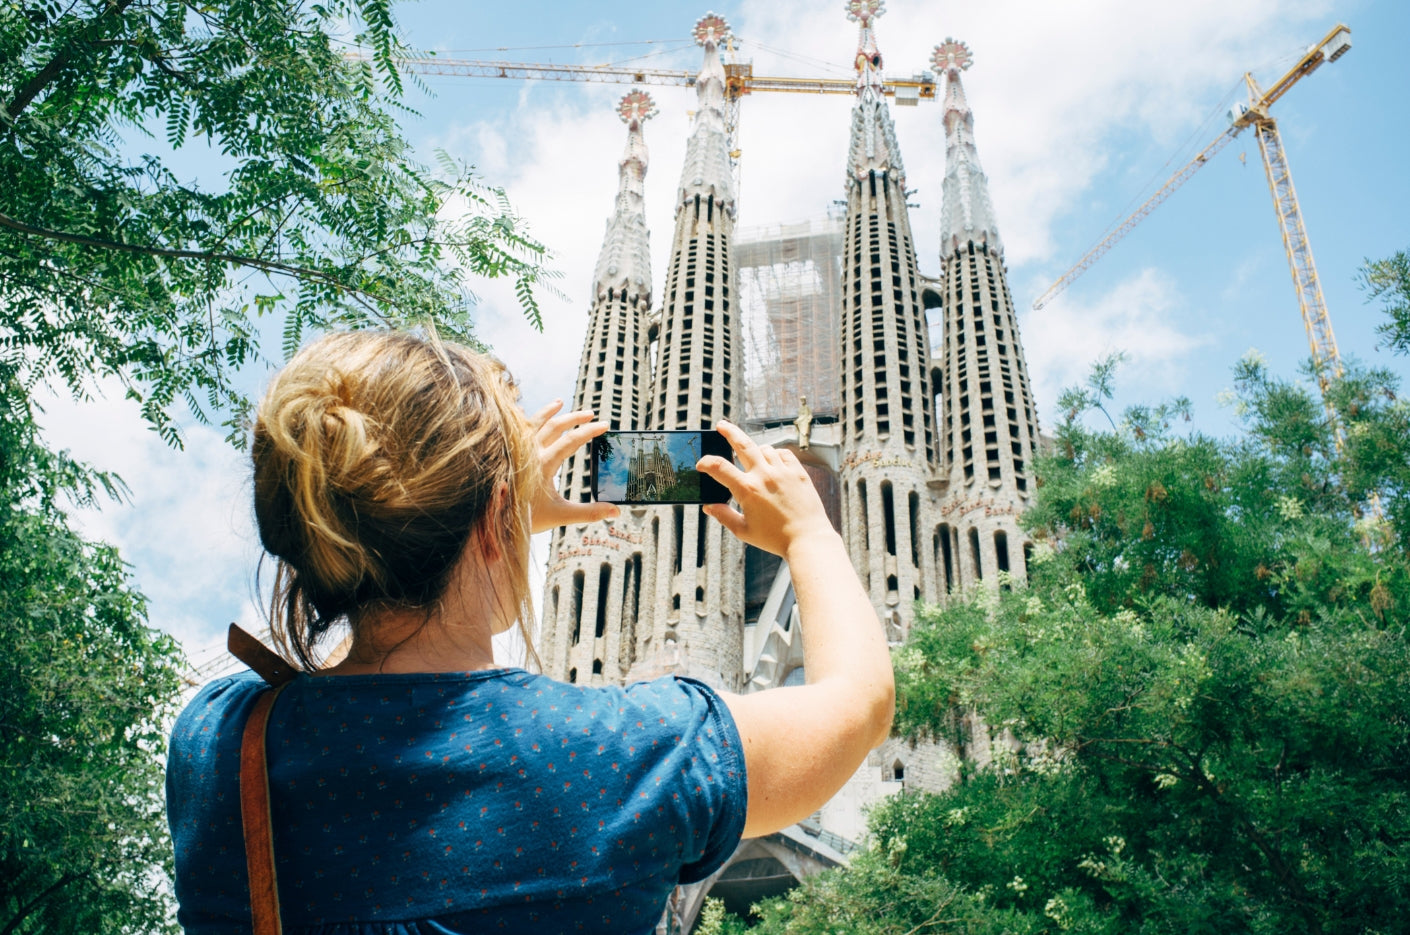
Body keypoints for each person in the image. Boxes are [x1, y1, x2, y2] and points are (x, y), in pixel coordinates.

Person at [166, 330, 893, 935]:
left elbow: (361, 698)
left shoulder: (220, 741)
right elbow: (858, 704)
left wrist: (485, 522)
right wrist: (810, 532)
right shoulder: (624, 757)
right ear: (494, 519)